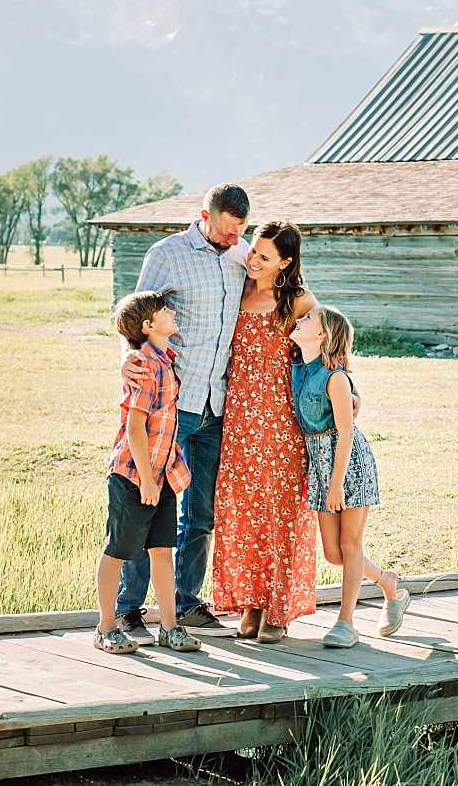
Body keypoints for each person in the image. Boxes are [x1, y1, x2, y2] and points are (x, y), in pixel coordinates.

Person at [116, 184, 251, 634]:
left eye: (241, 231)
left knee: (201, 513)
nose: (235, 240)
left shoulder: (240, 254)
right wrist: (127, 358)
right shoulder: (167, 254)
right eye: (229, 229)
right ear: (205, 215)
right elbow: (134, 317)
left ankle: (188, 602)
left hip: (218, 403)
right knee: (149, 506)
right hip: (174, 402)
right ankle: (128, 607)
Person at [210, 220, 319, 643]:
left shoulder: (297, 301)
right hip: (238, 420)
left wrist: (347, 388)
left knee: (281, 513)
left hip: (282, 422)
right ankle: (251, 603)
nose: (253, 260)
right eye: (253, 251)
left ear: (286, 262)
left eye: (264, 256)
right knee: (243, 509)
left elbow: (328, 345)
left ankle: (279, 609)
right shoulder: (237, 289)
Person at [288, 305, 408, 649]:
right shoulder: (299, 369)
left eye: (308, 320)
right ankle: (388, 584)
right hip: (320, 464)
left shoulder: (336, 378)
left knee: (350, 544)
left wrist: (337, 482)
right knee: (334, 554)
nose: (300, 321)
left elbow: (346, 431)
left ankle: (346, 623)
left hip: (348, 463)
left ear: (322, 335)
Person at [93, 291, 202, 655]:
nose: (173, 312)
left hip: (163, 474)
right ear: (148, 326)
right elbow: (135, 427)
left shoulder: (165, 359)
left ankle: (169, 628)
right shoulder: (145, 363)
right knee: (119, 549)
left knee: (161, 550)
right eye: (164, 310)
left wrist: (159, 479)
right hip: (135, 476)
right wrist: (148, 479)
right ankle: (106, 626)